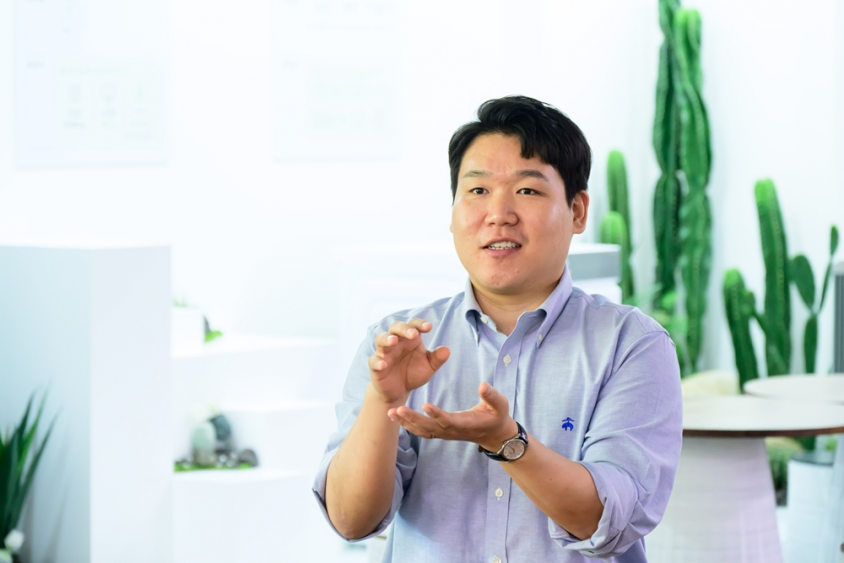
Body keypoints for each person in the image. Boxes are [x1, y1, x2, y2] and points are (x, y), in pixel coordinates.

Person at [312, 95, 682, 562]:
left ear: (578, 211)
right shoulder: (396, 343)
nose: (499, 213)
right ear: (453, 212)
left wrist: (507, 442)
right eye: (477, 190)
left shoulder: (632, 345)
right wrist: (383, 401)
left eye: (527, 191)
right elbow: (351, 521)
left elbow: (606, 521)